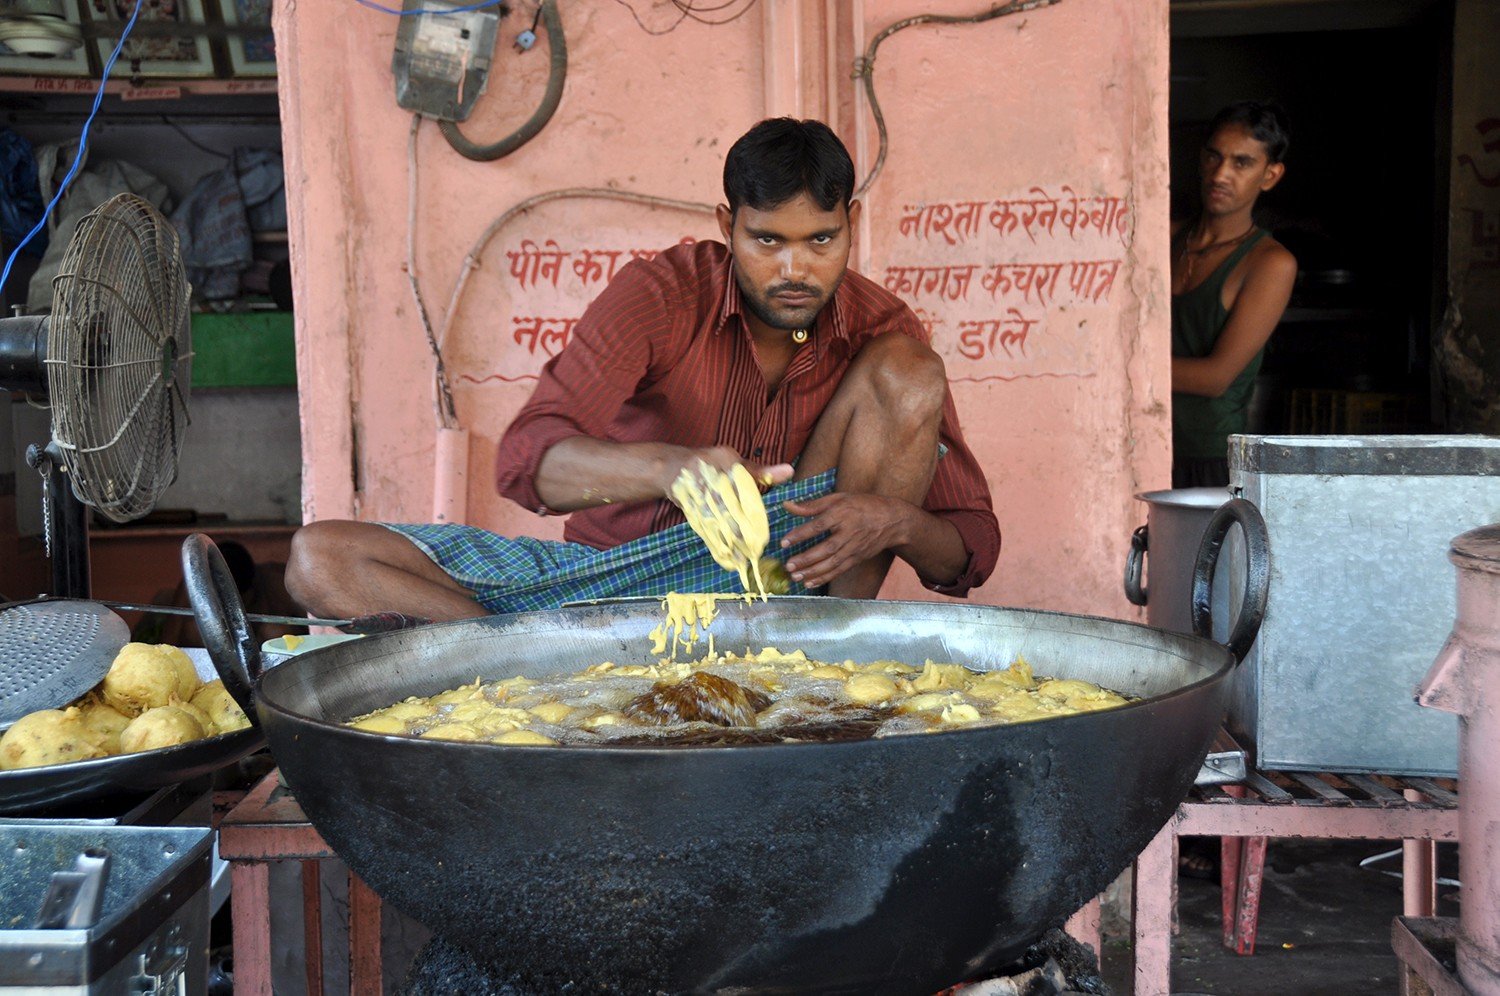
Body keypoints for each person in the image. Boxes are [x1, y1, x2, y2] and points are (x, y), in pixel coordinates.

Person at [284, 118, 999, 621]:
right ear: (728, 227)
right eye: (766, 241)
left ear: (852, 222)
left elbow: (970, 547)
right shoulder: (660, 295)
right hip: (604, 590)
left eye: (821, 239)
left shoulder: (881, 329)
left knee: (909, 370)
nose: (794, 269)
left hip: (780, 595)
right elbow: (527, 463)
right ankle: (533, 660)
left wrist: (894, 523)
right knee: (322, 560)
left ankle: (817, 660)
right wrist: (673, 471)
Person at [1171, 101, 1298, 488]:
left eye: (1242, 163)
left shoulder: (1270, 263)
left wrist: (1115, 371)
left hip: (1208, 459)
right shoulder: (1162, 235)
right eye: (1214, 156)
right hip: (1139, 438)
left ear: (1270, 175)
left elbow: (1215, 378)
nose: (1221, 174)